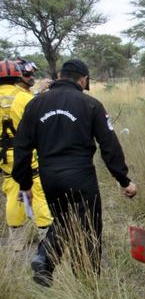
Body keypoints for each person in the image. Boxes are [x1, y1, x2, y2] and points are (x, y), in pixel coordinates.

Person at [12, 59, 137, 286]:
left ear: (60, 75)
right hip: (80, 175)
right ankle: (86, 283)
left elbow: (21, 147)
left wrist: (25, 184)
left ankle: (45, 257)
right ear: (84, 79)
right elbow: (109, 146)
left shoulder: (35, 104)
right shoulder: (90, 104)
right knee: (88, 226)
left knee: (63, 220)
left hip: (49, 176)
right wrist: (123, 179)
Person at [0, 59, 52, 250]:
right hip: (27, 154)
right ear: (17, 75)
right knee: (37, 191)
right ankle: (46, 236)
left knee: (12, 192)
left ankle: (16, 242)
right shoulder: (25, 98)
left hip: (4, 157)